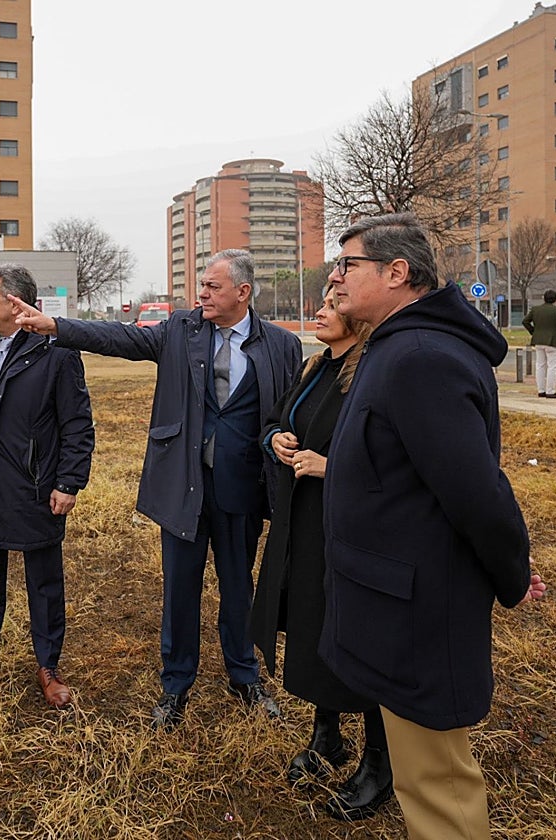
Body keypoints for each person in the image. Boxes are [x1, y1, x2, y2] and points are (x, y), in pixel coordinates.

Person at [322, 212, 547, 840]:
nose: (335, 279)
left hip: (420, 613)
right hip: (395, 604)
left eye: (348, 265)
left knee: (438, 787)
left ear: (397, 273)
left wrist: (510, 575)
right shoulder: (395, 346)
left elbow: (477, 493)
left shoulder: (420, 357)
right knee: (422, 780)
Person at [9, 250, 302, 728]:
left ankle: (244, 675)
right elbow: (121, 337)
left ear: (243, 293)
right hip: (182, 486)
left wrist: (280, 439)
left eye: (212, 286)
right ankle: (176, 683)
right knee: (180, 590)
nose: (201, 293)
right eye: (201, 285)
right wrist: (56, 327)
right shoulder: (182, 330)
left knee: (238, 587)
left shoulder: (281, 346)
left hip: (243, 489)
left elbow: (287, 411)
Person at [251, 291, 389, 821]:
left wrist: (333, 468)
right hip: (304, 528)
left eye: (334, 303)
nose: (323, 308)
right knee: (315, 630)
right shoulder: (315, 366)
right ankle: (326, 736)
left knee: (362, 639)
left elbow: (387, 456)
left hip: (352, 531)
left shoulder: (371, 374)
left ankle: (380, 761)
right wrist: (275, 440)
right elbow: (275, 419)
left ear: (356, 319)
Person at [0, 264, 95, 710]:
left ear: (14, 303)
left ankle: (48, 667)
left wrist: (69, 482)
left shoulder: (57, 353)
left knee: (44, 583)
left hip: (33, 489)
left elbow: (78, 427)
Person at [522, 288, 556, 398]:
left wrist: (533, 331)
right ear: (555, 299)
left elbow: (525, 321)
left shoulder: (535, 309)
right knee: (553, 366)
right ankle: (550, 391)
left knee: (540, 365)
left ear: (544, 298)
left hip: (538, 341)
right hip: (553, 342)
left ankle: (541, 390)